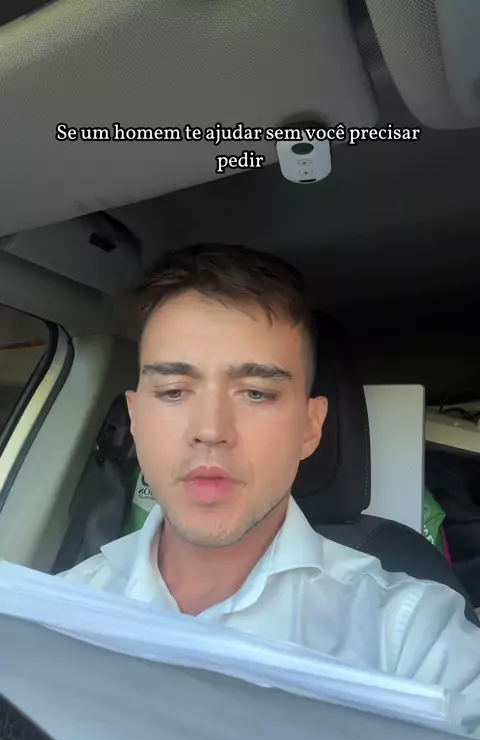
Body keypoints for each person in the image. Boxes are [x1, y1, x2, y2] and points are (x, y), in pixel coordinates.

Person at [60, 243, 480, 699]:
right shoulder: (57, 613)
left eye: (256, 393)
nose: (210, 430)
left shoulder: (409, 635)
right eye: (174, 391)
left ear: (310, 427)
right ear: (136, 420)